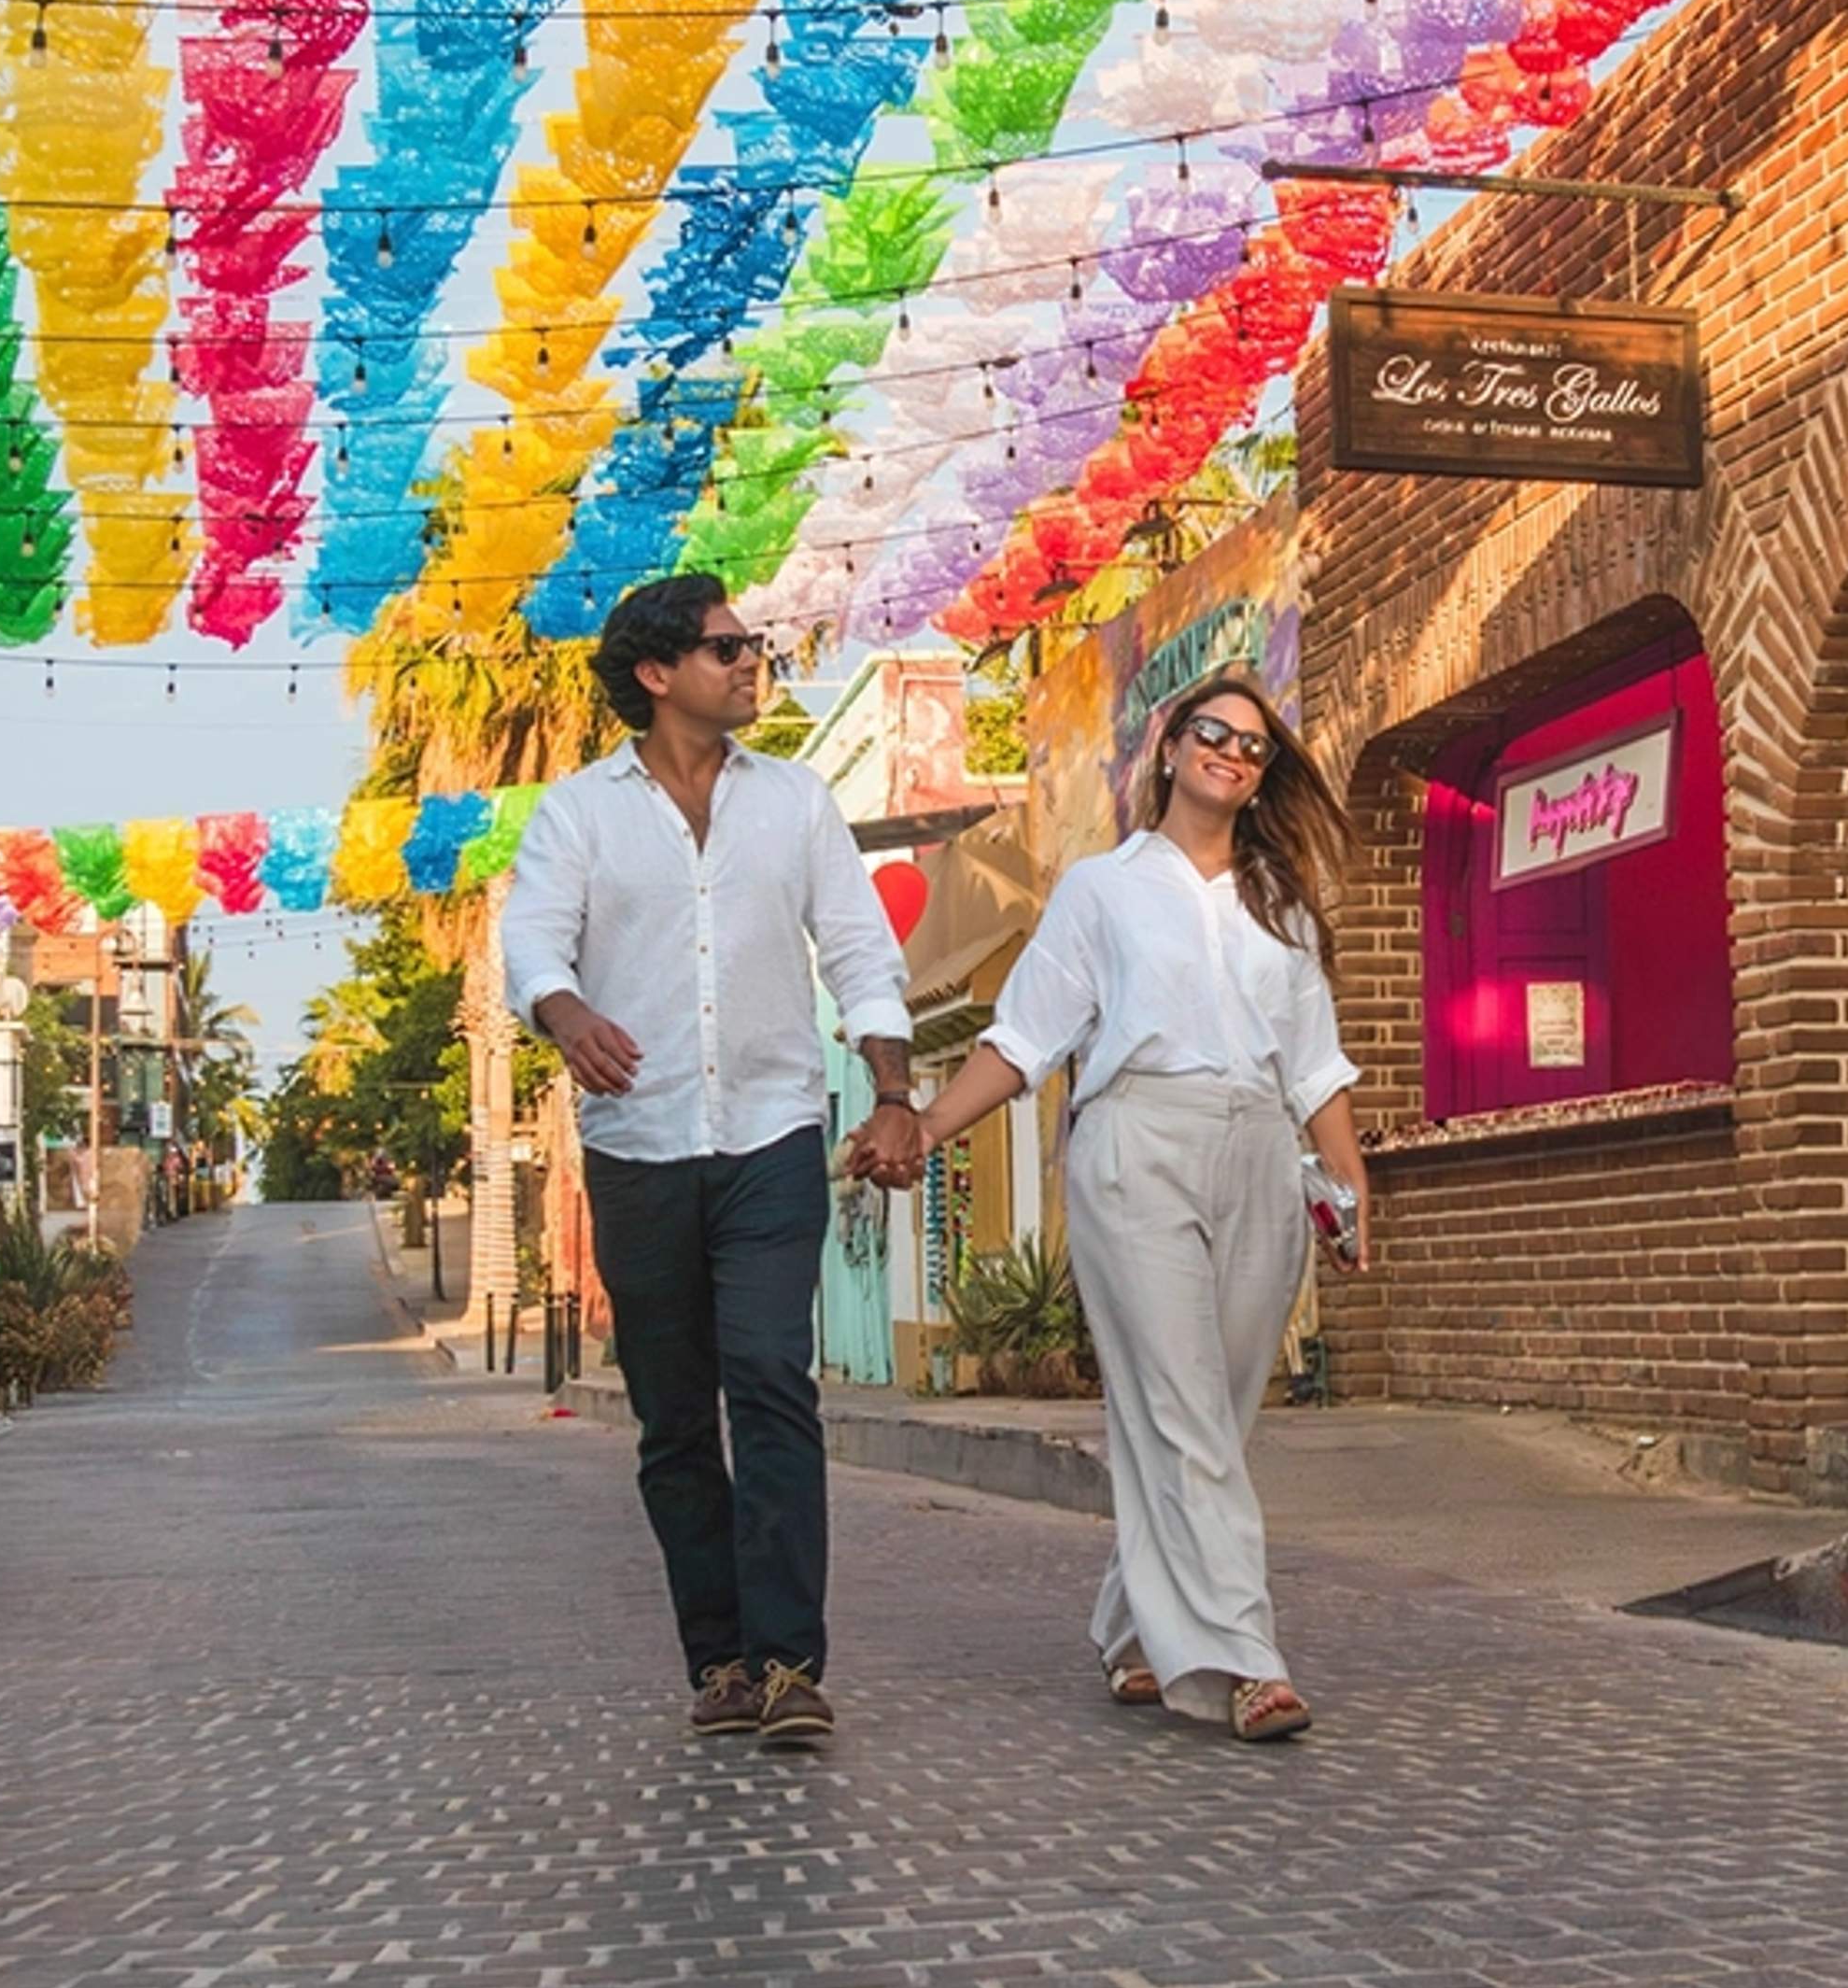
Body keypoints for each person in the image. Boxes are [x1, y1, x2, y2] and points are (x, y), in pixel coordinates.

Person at [872, 671, 1373, 1742]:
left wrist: (1348, 1185)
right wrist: (921, 1123)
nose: (1232, 753)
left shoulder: (1281, 902)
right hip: (1135, 1143)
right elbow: (1023, 1039)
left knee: (1215, 1415)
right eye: (1213, 733)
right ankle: (1246, 1659)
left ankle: (1134, 1626)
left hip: (1259, 1152)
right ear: (1171, 746)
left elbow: (1318, 1066)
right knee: (1184, 1408)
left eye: (1253, 745)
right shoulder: (1102, 889)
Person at [501, 573, 924, 1749]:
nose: (753, 664)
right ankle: (722, 1657)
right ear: (656, 673)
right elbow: (532, 939)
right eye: (729, 647)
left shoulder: (795, 803)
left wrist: (893, 1092)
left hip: (772, 1137)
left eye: (754, 645)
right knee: (677, 1420)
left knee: (772, 1382)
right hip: (638, 1149)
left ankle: (791, 1662)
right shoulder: (579, 813)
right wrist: (565, 1011)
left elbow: (860, 952)